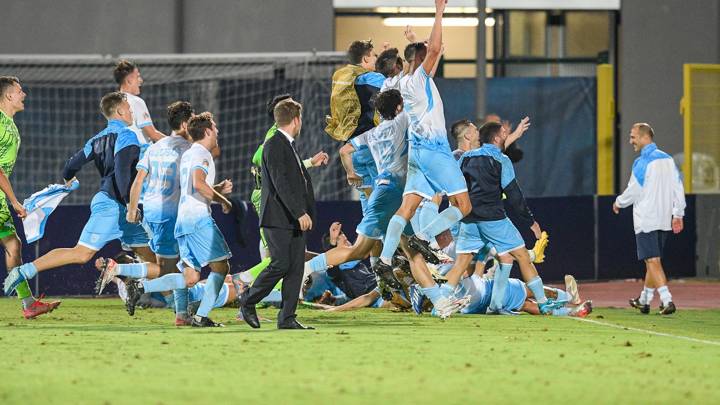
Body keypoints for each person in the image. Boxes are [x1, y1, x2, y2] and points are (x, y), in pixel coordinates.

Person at [3, 92, 152, 299]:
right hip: (115, 204)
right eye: (128, 108)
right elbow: (121, 172)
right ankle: (24, 271)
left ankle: (168, 300)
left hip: (118, 204)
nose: (131, 111)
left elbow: (70, 165)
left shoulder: (97, 139)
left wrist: (69, 179)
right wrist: (130, 204)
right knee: (81, 254)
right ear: (119, 111)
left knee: (151, 258)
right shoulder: (128, 135)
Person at [373, 0, 473, 279]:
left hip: (417, 154)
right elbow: (436, 51)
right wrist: (439, 12)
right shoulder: (417, 80)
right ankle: (425, 237)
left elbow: (427, 56)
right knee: (464, 206)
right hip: (435, 152)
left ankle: (383, 258)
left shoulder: (404, 82)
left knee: (407, 208)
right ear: (420, 59)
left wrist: (417, 42)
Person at [124, 112, 233, 327]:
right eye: (215, 127)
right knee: (221, 267)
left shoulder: (189, 153)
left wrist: (215, 190)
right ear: (208, 131)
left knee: (190, 276)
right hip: (198, 219)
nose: (218, 131)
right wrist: (223, 201)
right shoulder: (201, 153)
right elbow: (199, 184)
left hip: (182, 220)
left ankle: (144, 290)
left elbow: (192, 186)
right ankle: (201, 316)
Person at [441, 121, 561, 316]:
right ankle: (543, 302)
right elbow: (514, 195)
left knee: (462, 263)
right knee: (523, 257)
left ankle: (441, 302)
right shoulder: (501, 160)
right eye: (504, 135)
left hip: (468, 219)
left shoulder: (465, 158)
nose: (506, 137)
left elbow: (455, 188)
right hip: (493, 219)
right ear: (496, 139)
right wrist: (531, 222)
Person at [239, 98, 316, 330]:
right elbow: (281, 183)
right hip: (278, 217)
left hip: (291, 219)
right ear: (296, 120)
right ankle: (248, 300)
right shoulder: (273, 144)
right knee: (280, 264)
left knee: (296, 267)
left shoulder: (287, 144)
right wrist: (299, 212)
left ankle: (287, 318)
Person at [0, 76, 60, 319]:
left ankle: (28, 304)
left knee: (13, 244)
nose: (24, 94)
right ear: (8, 96)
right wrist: (14, 201)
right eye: (19, 90)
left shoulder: (11, 125)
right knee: (12, 244)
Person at [614, 123, 685, 315]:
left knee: (652, 260)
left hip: (646, 218)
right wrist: (678, 213)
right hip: (663, 218)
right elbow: (678, 188)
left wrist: (619, 202)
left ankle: (667, 300)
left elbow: (634, 190)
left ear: (645, 137)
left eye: (633, 137)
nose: (631, 141)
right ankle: (644, 300)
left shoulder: (642, 162)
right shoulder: (668, 160)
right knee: (651, 262)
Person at [114, 59, 165, 144]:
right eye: (137, 76)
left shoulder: (113, 103)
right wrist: (176, 142)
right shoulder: (136, 101)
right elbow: (153, 135)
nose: (141, 80)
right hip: (139, 155)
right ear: (129, 80)